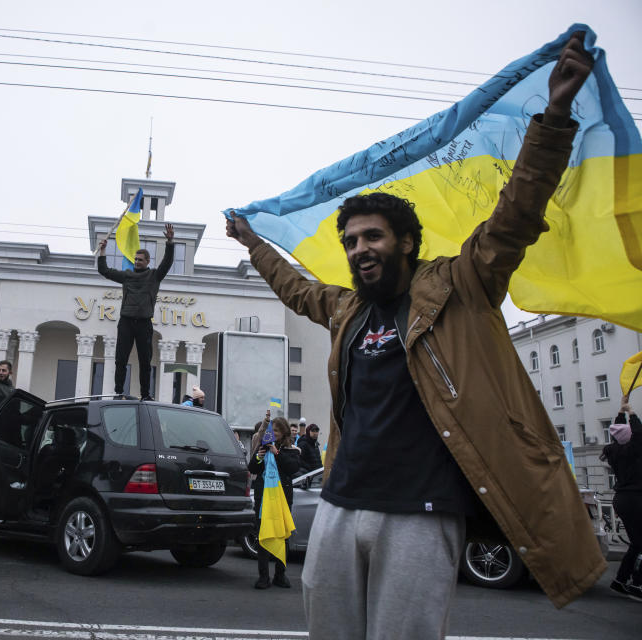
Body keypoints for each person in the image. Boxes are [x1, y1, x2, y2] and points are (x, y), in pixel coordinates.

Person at [226, 33, 602, 636]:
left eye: (371, 237)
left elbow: (515, 215)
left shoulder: (460, 285)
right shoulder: (348, 310)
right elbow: (296, 289)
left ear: (404, 241)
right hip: (341, 504)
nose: (358, 250)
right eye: (350, 242)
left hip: (422, 513)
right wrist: (251, 244)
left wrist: (554, 116)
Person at [97, 223, 175, 401]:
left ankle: (145, 395)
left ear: (147, 262)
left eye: (140, 259)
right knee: (120, 360)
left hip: (144, 323)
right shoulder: (126, 275)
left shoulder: (154, 276)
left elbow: (167, 263)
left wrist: (170, 242)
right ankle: (118, 392)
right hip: (126, 322)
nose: (136, 262)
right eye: (135, 259)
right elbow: (104, 271)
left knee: (145, 361)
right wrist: (103, 252)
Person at [249, 417, 301, 589]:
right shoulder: (263, 447)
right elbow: (252, 468)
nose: (273, 434)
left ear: (283, 433)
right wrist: (258, 457)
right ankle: (263, 577)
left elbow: (292, 468)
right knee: (263, 534)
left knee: (283, 536)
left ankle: (280, 575)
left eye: (277, 431)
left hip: (282, 499)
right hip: (264, 498)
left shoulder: (291, 450)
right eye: (272, 430)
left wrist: (277, 453)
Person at [602, 395, 642, 600]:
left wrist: (621, 411)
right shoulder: (634, 452)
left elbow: (618, 432)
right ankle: (637, 585)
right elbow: (638, 434)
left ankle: (620, 581)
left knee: (637, 543)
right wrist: (632, 413)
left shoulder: (615, 451)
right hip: (635, 499)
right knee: (640, 542)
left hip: (623, 499)